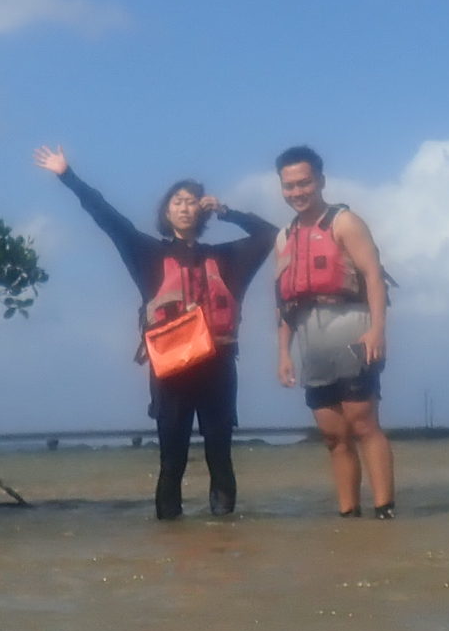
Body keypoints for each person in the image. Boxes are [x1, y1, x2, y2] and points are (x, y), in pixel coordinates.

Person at [33, 145, 278, 519]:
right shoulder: (147, 255)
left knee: (220, 454)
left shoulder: (227, 259)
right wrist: (68, 175)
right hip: (171, 371)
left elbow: (269, 235)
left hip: (218, 368)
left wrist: (226, 211)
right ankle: (170, 541)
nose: (185, 206)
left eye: (193, 201)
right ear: (166, 211)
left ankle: (226, 540)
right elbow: (107, 217)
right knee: (171, 459)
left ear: (203, 209)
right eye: (177, 201)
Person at [272, 144, 395, 518]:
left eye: (304, 183)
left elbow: (373, 275)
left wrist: (377, 330)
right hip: (311, 338)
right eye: (289, 186)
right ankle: (348, 514)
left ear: (320, 181)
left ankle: (385, 510)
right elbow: (284, 303)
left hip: (352, 327)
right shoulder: (284, 237)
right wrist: (283, 353)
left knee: (362, 422)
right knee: (332, 434)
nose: (297, 192)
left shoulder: (344, 222)